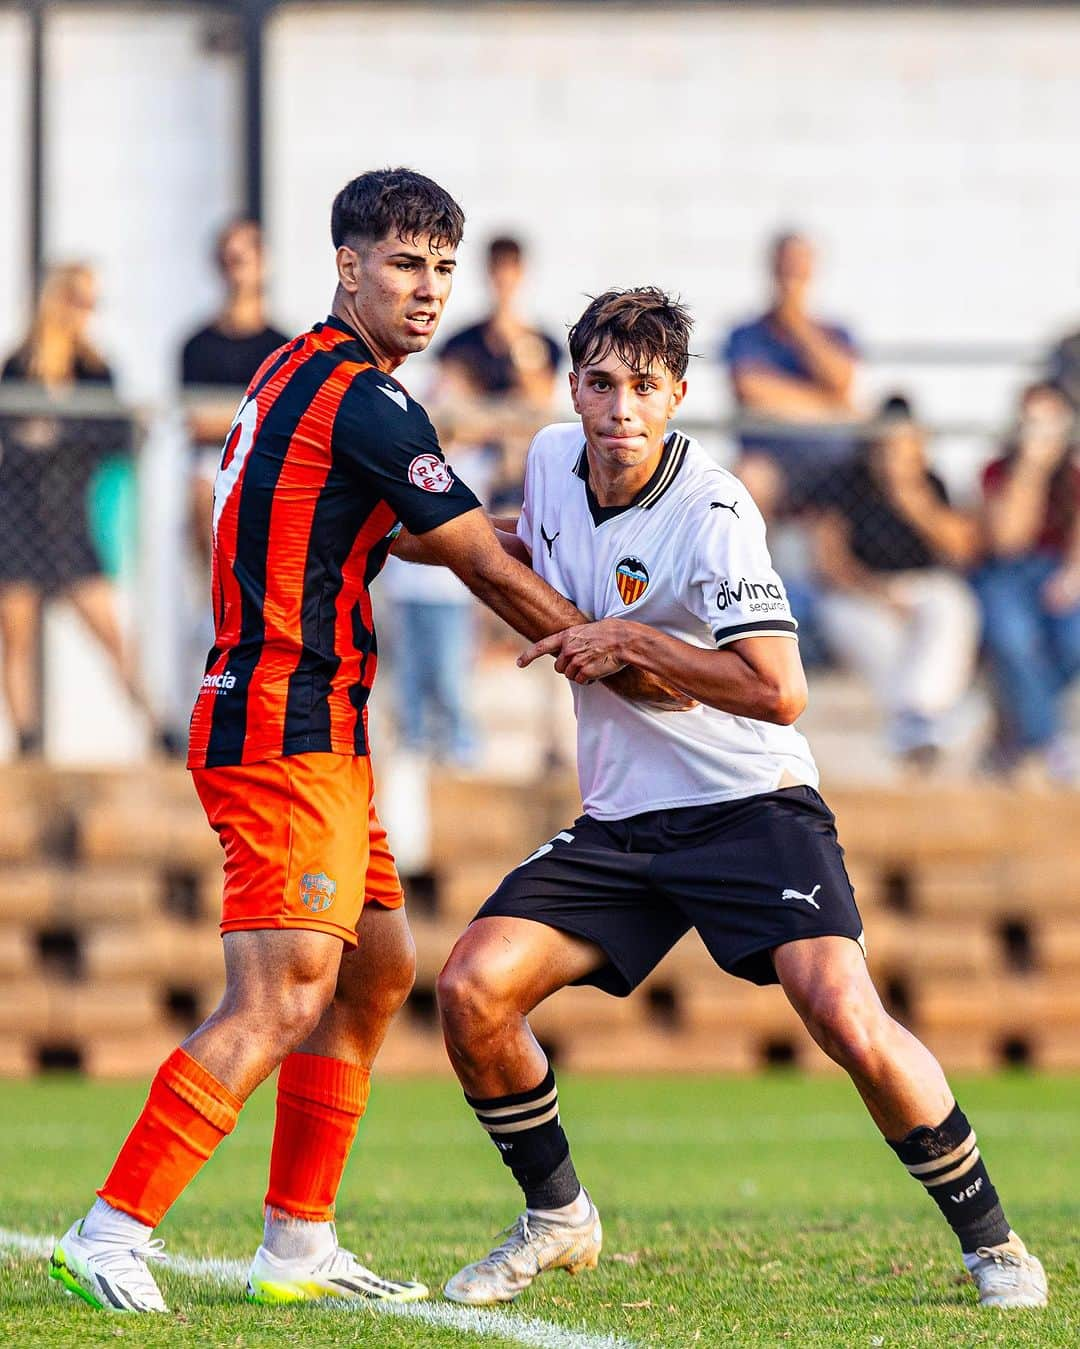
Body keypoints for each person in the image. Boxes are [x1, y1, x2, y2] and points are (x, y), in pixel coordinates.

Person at [48, 169, 677, 1316]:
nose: (429, 289)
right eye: (405, 263)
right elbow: (479, 563)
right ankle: (113, 1224)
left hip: (310, 724)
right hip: (282, 724)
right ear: (347, 265)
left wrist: (544, 546)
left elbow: (434, 529)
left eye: (443, 265)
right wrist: (614, 655)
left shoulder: (305, 371)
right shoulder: (369, 400)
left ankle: (296, 1241)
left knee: (378, 970)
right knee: (285, 995)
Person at [435, 288, 1047, 1311]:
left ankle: (995, 1243)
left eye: (643, 386)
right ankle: (557, 1215)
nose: (618, 407)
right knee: (471, 989)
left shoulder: (713, 510)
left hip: (748, 806)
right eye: (599, 382)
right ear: (570, 386)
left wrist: (629, 639)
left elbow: (779, 690)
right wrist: (401, 528)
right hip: (625, 820)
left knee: (844, 1014)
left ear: (678, 394)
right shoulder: (549, 461)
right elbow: (513, 539)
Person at [0, 262, 169, 757]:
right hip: (19, 519)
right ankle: (27, 740)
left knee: (110, 633)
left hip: (69, 522)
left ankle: (155, 726)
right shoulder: (19, 365)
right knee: (17, 634)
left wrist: (56, 431)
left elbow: (112, 434)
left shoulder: (96, 368)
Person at [811, 395, 981, 766]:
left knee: (952, 606)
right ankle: (924, 721)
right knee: (869, 631)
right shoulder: (846, 481)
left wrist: (908, 491)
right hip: (859, 591)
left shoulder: (930, 482)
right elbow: (828, 564)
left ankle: (917, 718)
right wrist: (877, 594)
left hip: (920, 585)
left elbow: (960, 549)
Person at [974, 381, 1080, 781]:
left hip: (1056, 570)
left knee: (1072, 642)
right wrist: (1031, 471)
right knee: (1014, 640)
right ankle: (1044, 740)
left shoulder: (1073, 474)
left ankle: (1015, 733)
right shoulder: (998, 472)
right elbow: (1008, 542)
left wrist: (1071, 577)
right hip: (1006, 574)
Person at [722, 231, 860, 517]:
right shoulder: (747, 335)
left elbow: (842, 382)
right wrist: (832, 407)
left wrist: (797, 324)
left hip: (832, 465)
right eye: (786, 266)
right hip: (771, 463)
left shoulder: (836, 333)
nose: (791, 276)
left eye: (799, 267)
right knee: (749, 480)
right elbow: (751, 390)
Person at [180, 219, 290, 562]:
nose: (236, 271)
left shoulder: (282, 347)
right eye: (229, 260)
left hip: (266, 469)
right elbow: (198, 424)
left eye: (243, 259)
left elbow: (284, 425)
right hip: (214, 466)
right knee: (203, 494)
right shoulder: (197, 345)